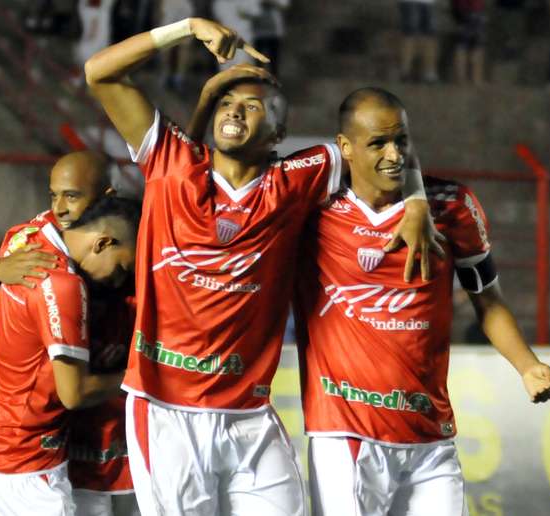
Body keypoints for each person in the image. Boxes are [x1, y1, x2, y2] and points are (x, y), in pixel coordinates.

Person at [85, 17, 438, 515]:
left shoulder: (296, 178)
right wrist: (186, 29)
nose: (235, 111)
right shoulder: (171, 162)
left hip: (249, 413)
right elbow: (99, 72)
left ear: (280, 132)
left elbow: (385, 140)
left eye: (253, 105)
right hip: (167, 411)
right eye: (227, 103)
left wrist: (418, 200)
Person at [293, 87, 550, 515]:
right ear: (344, 147)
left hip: (430, 438)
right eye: (377, 143)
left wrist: (527, 366)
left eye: (401, 140)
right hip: (346, 435)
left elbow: (487, 299)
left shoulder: (453, 205)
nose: (394, 154)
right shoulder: (315, 208)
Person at [0, 150, 141, 516]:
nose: (60, 208)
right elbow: (73, 393)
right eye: (54, 195)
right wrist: (147, 374)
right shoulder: (48, 267)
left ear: (105, 197)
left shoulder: (33, 242)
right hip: (28, 466)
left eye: (72, 196)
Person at [398, 0, 439, 83]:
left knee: (429, 37)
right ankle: (405, 72)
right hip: (410, 2)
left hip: (428, 3)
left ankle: (428, 73)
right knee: (409, 35)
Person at [451, 0, 487, 85]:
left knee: (462, 46)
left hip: (462, 11)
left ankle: (461, 78)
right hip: (473, 11)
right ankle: (476, 79)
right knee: (476, 47)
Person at [252, 0, 291, 76]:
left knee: (274, 61)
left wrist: (272, 3)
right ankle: (257, 80)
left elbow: (285, 5)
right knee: (259, 61)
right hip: (259, 33)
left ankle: (274, 80)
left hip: (274, 33)